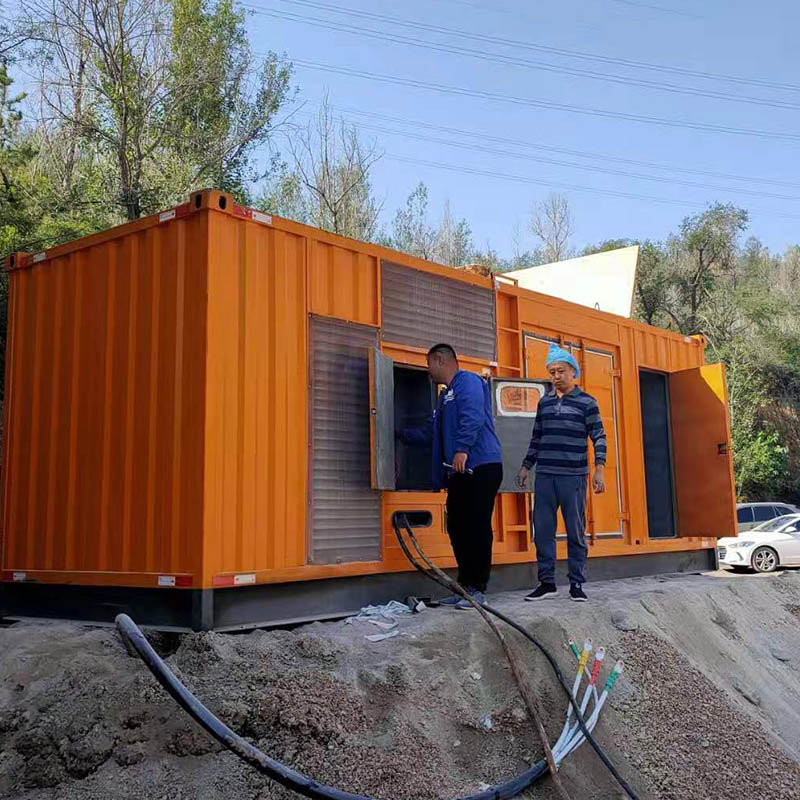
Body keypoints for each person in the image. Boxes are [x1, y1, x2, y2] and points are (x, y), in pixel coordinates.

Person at [400, 344, 503, 609]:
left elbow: (473, 416)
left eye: (429, 364)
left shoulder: (468, 382)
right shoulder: (445, 397)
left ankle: (478, 588)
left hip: (480, 466)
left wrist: (462, 449)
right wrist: (399, 434)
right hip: (458, 471)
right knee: (457, 526)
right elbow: (431, 432)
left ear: (440, 359)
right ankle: (464, 587)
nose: (428, 371)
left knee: (477, 525)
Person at [516, 343, 607, 603]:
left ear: (573, 372)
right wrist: (526, 466)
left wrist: (599, 469)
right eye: (552, 372)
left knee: (575, 531)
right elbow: (537, 437)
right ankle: (547, 583)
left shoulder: (587, 402)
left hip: (573, 476)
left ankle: (576, 583)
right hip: (545, 475)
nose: (556, 376)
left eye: (561, 371)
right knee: (543, 531)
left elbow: (599, 436)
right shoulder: (544, 403)